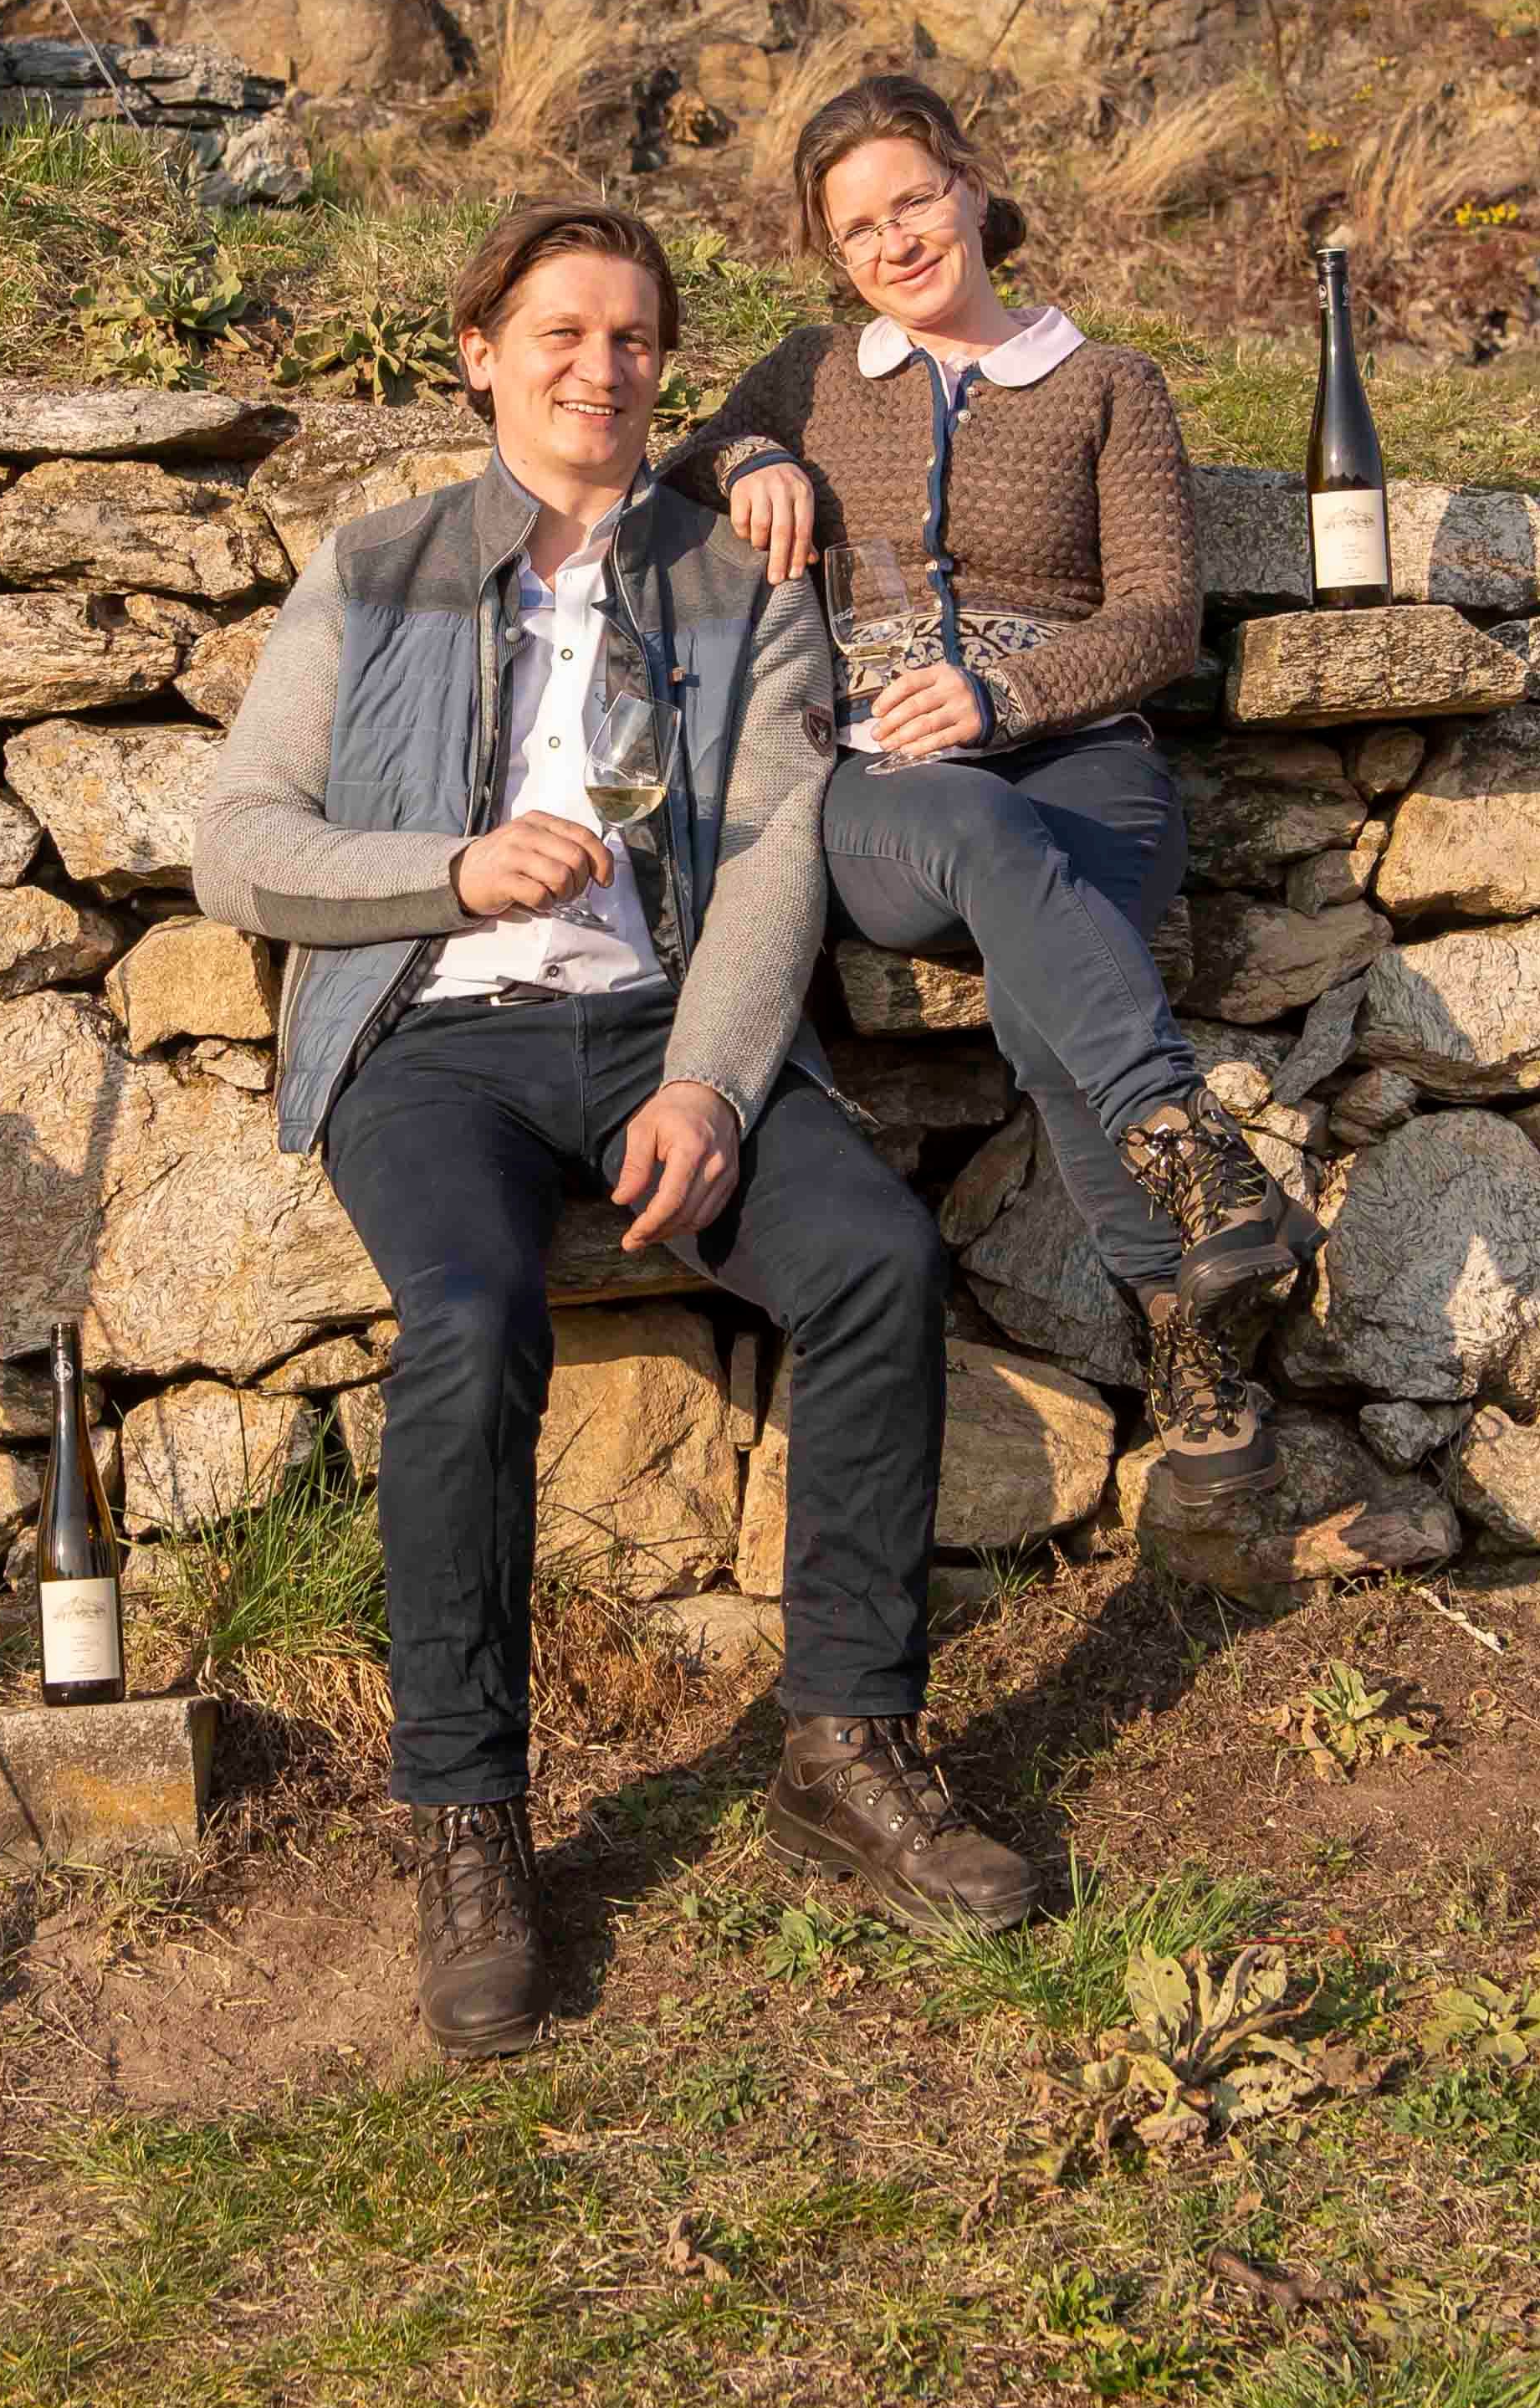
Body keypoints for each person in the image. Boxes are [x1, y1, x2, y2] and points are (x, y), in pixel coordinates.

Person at [195, 197, 1044, 2064]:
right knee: (469, 1319)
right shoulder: (378, 563)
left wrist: (712, 1083)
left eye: (635, 337)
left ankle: (845, 1739)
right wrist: (446, 865)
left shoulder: (741, 581)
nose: (601, 367)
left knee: (879, 1260)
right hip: (437, 1038)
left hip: (663, 1026)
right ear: (481, 349)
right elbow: (239, 838)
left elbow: (767, 850)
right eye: (560, 332)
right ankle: (468, 1818)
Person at [659, 73, 1307, 1536]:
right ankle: (1194, 1155)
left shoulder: (1108, 384)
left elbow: (1160, 619)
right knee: (985, 840)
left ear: (969, 186)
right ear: (833, 258)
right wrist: (754, 454)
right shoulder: (814, 373)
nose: (894, 242)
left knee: (1048, 986)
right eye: (856, 229)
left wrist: (1008, 698)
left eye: (912, 202)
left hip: (1091, 766)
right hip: (890, 791)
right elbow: (679, 457)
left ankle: (1191, 1351)